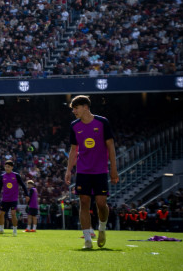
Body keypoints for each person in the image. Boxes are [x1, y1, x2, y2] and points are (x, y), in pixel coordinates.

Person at [65, 95, 119, 250]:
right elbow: (74, 149)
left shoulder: (102, 122)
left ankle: (102, 228)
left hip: (100, 170)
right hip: (83, 171)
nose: (74, 111)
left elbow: (111, 146)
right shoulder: (74, 125)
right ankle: (87, 240)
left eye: (76, 108)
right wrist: (69, 170)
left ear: (85, 107)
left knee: (101, 204)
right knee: (83, 202)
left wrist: (113, 169)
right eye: (73, 108)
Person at [0, 160, 28, 237]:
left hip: (13, 199)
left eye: (8, 167)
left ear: (12, 167)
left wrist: (26, 194)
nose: (7, 168)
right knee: (1, 214)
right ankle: (1, 230)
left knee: (13, 214)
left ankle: (15, 231)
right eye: (5, 167)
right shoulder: (2, 176)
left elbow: (23, 185)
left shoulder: (16, 175)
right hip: (5, 199)